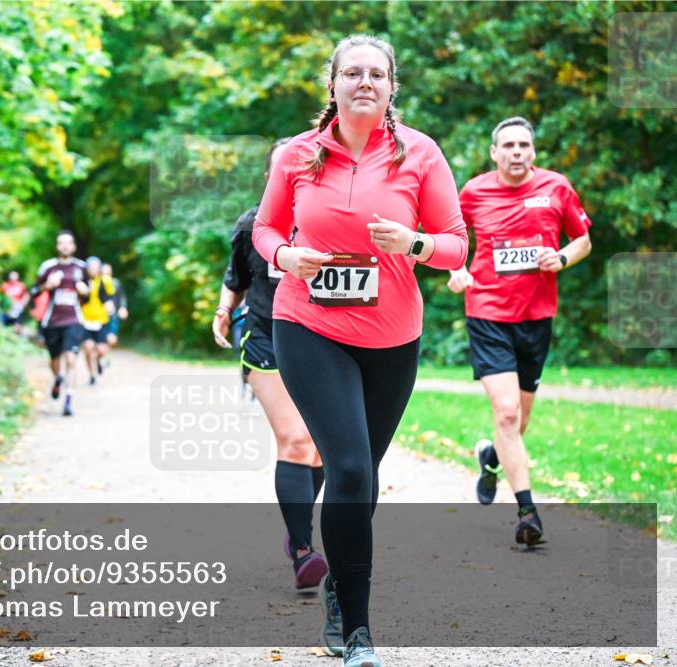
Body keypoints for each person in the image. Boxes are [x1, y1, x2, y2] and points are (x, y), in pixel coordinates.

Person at [253, 35, 468, 665]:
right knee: (347, 469)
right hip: (307, 324)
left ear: (391, 86)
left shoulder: (419, 153)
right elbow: (266, 227)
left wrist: (414, 243)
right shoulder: (297, 155)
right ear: (334, 85)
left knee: (361, 478)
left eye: (376, 73)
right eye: (353, 72)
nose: (364, 82)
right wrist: (284, 255)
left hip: (392, 336)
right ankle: (357, 630)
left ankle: (338, 586)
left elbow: (457, 244)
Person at [446, 116, 592, 546]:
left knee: (519, 420)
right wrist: (457, 270)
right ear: (494, 152)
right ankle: (528, 513)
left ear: (533, 151)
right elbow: (451, 238)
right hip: (488, 312)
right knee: (507, 413)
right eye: (507, 145)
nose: (516, 152)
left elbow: (583, 239)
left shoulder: (556, 187)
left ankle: (490, 457)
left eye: (523, 145)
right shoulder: (474, 191)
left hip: (536, 316)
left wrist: (561, 259)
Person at [212, 138, 329, 593]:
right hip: (266, 339)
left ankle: (296, 520)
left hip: (323, 341)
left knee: (320, 448)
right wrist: (224, 310)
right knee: (297, 440)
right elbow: (235, 280)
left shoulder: (330, 222)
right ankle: (303, 549)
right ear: (270, 178)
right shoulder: (251, 225)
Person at [35, 231, 89, 417]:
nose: (65, 246)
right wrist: (47, 286)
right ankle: (58, 379)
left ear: (73, 246)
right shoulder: (48, 267)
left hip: (74, 320)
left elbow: (89, 297)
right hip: (52, 321)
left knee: (71, 359)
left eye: (68, 243)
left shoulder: (81, 268)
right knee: (55, 360)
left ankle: (69, 400)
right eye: (61, 243)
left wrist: (85, 292)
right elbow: (34, 291)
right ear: (57, 246)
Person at [80, 256, 114, 384]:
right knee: (88, 348)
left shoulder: (105, 281)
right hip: (85, 320)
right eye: (90, 267)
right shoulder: (81, 282)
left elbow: (111, 296)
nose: (93, 270)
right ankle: (92, 375)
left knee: (101, 349)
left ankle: (99, 362)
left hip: (101, 320)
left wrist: (111, 305)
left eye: (95, 267)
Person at [102, 262, 128, 352]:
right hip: (99, 316)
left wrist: (123, 307)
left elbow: (121, 297)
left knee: (112, 339)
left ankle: (104, 355)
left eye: (108, 272)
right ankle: (100, 356)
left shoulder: (116, 283)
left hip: (112, 315)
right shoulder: (96, 283)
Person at [0, 270, 30, 335]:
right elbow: (1, 295)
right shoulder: (5, 285)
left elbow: (26, 294)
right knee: (1, 324)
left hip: (18, 307)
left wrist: (24, 303)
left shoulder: (21, 286)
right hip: (7, 308)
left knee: (17, 327)